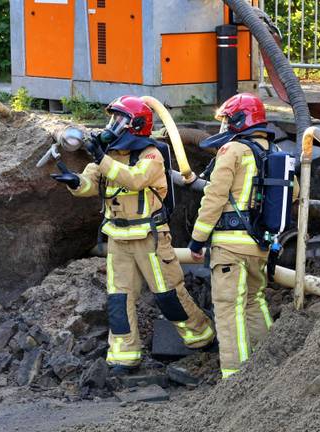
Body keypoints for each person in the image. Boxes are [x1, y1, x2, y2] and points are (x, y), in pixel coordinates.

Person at [52, 95, 214, 375]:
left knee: (168, 294)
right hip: (118, 237)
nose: (112, 125)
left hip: (150, 237)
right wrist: (75, 182)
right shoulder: (109, 154)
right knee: (119, 299)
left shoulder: (151, 154)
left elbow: (134, 179)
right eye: (113, 119)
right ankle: (124, 356)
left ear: (136, 124)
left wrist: (101, 157)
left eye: (119, 119)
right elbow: (92, 183)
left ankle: (201, 337)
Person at [188, 93, 295, 379]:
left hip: (229, 247)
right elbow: (293, 192)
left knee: (228, 308)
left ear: (239, 120)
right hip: (261, 245)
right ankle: (267, 368)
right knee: (254, 300)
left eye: (227, 120)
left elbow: (214, 196)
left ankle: (235, 377)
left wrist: (197, 239)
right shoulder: (275, 151)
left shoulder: (232, 150)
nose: (224, 126)